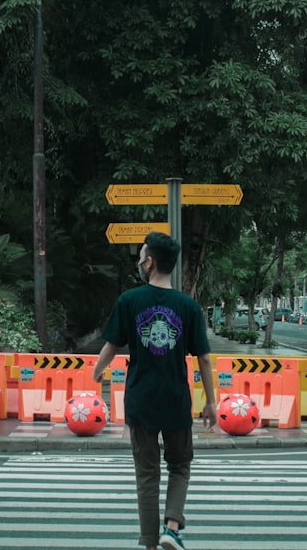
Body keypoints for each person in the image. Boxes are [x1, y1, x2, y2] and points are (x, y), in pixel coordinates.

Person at [92, 232, 218, 550]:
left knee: (147, 474)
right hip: (176, 398)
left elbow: (112, 344)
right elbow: (203, 357)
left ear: (150, 261)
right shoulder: (188, 306)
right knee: (180, 465)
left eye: (142, 254)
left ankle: (150, 543)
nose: (139, 259)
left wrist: (97, 370)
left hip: (140, 398)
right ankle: (171, 528)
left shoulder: (130, 300)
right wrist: (211, 402)